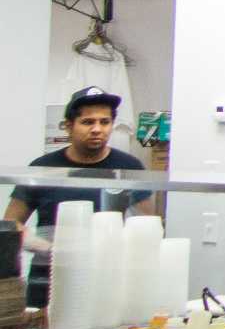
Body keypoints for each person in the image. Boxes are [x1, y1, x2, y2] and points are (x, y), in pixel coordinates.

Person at [9, 86, 147, 307]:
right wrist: (42, 245)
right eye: (87, 122)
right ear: (68, 126)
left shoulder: (129, 167)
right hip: (48, 279)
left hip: (104, 278)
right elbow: (10, 224)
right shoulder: (43, 168)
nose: (97, 129)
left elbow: (148, 224)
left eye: (104, 122)